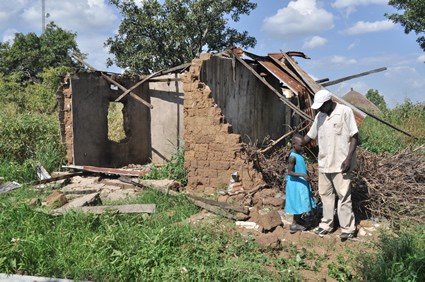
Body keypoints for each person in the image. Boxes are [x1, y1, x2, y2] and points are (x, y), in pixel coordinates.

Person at [303, 89, 358, 241]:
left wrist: (348, 158)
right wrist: (297, 144)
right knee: (325, 195)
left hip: (341, 163)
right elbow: (310, 136)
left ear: (329, 102)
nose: (319, 109)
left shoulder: (345, 111)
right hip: (324, 163)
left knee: (343, 196)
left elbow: (354, 136)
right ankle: (327, 224)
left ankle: (347, 228)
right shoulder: (320, 116)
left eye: (322, 106)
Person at [285, 133, 316, 234]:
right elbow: (289, 172)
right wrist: (302, 175)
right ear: (294, 144)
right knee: (298, 203)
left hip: (301, 183)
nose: (303, 148)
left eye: (303, 145)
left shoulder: (299, 154)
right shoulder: (292, 157)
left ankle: (298, 220)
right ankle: (294, 224)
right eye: (301, 146)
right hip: (295, 184)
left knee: (302, 202)